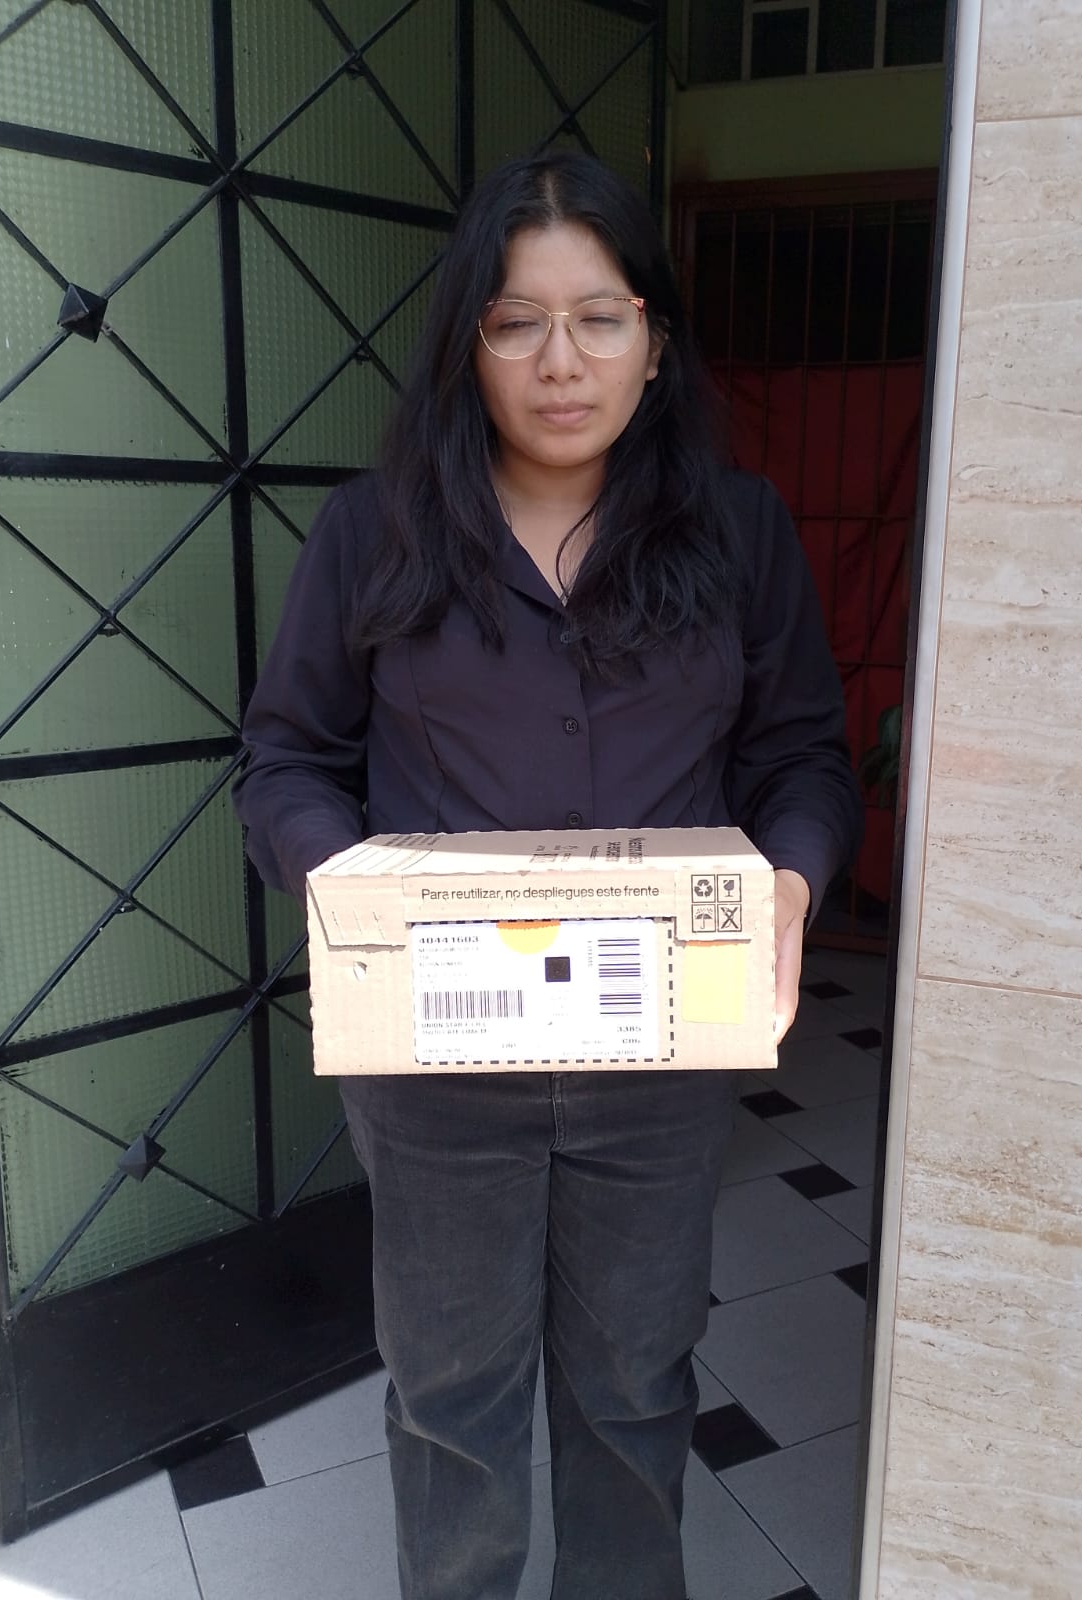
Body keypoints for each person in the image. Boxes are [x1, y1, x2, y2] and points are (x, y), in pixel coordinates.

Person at [233, 151, 862, 1600]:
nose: (560, 362)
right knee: (449, 1405)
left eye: (600, 318)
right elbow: (287, 760)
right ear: (470, 344)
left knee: (635, 1391)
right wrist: (344, 884)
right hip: (440, 1068)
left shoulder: (739, 532)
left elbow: (802, 761)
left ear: (656, 339)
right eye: (517, 321)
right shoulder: (374, 534)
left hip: (657, 1059)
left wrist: (789, 883)